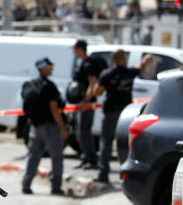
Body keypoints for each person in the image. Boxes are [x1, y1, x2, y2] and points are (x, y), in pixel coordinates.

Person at [86, 50, 153, 184]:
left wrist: (93, 87)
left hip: (110, 112)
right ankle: (128, 175)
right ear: (123, 59)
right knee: (127, 143)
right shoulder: (129, 72)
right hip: (126, 114)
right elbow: (140, 67)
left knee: (106, 142)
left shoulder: (106, 74)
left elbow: (97, 92)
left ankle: (103, 174)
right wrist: (146, 59)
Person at [21, 57, 68, 196]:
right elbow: (54, 109)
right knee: (57, 157)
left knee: (33, 156)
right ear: (43, 68)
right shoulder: (49, 86)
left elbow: (26, 109)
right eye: (49, 67)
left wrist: (32, 123)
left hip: (35, 127)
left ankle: (26, 184)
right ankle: (56, 187)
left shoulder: (29, 85)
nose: (51, 69)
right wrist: (63, 128)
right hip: (50, 127)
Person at [72, 40, 103, 170]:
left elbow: (93, 83)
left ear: (80, 49)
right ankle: (85, 157)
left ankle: (91, 159)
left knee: (84, 132)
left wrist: (86, 100)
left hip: (86, 104)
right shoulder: (84, 63)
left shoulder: (88, 64)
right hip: (82, 103)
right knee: (80, 132)